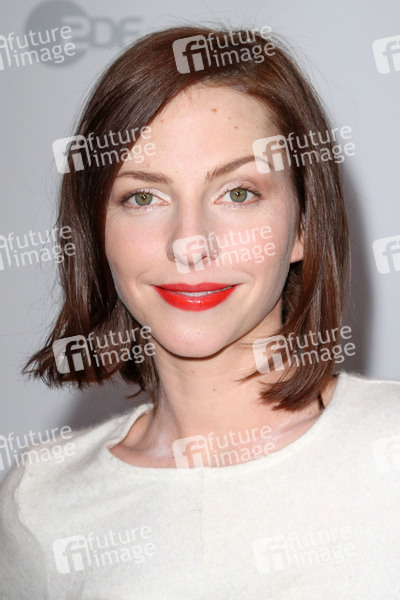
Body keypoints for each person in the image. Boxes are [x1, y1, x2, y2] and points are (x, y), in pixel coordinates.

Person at [0, 25, 399, 599]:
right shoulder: (39, 503)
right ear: (95, 230)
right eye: (143, 197)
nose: (189, 243)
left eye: (238, 193)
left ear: (304, 226)